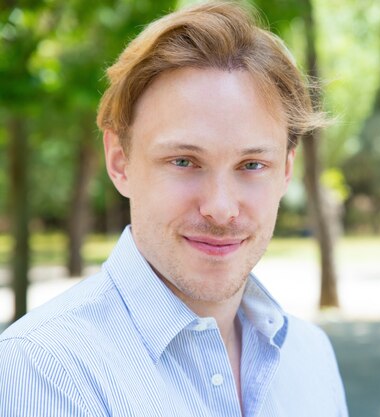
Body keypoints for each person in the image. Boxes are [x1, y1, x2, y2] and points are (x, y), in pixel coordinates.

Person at [0, 2, 349, 416]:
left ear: (286, 171)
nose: (220, 209)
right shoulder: (45, 369)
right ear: (119, 161)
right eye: (184, 161)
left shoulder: (310, 356)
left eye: (252, 165)